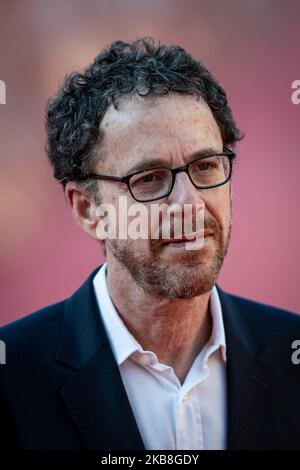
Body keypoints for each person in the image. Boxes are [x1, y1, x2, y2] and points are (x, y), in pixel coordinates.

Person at [1, 37, 299, 450]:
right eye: (149, 178)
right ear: (88, 209)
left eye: (206, 166)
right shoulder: (11, 377)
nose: (190, 204)